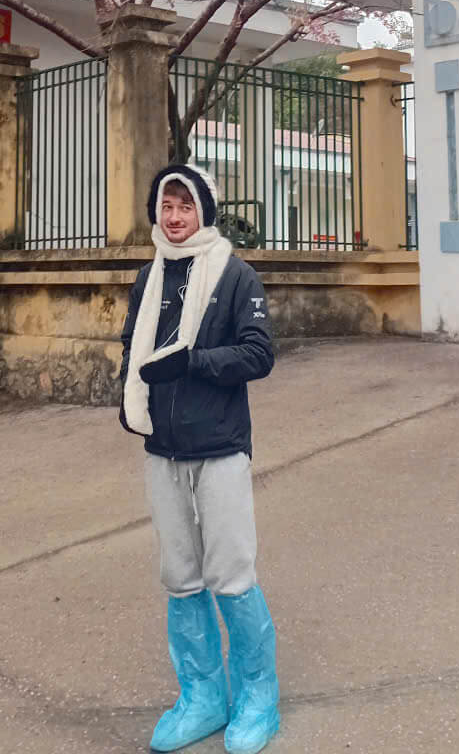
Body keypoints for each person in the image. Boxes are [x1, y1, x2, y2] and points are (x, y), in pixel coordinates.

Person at [119, 163, 279, 754]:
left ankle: (257, 699)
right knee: (180, 578)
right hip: (162, 447)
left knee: (231, 574)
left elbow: (259, 354)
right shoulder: (149, 276)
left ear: (204, 211)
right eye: (167, 206)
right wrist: (128, 395)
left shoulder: (236, 276)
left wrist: (194, 362)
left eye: (186, 206)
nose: (175, 218)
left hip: (220, 447)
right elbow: (132, 342)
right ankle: (202, 698)